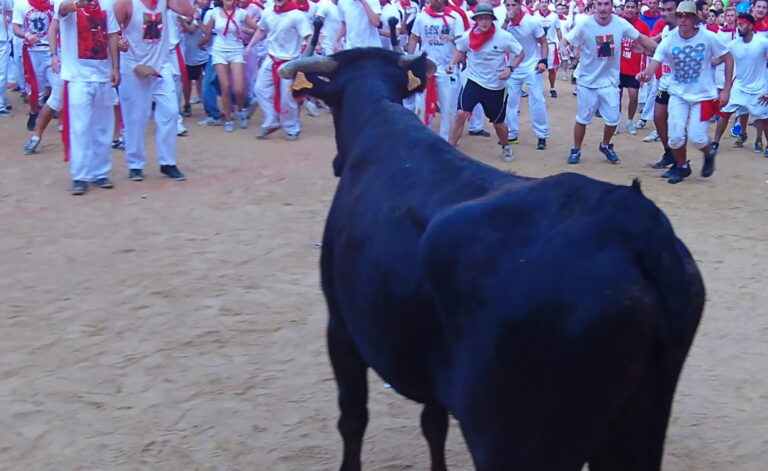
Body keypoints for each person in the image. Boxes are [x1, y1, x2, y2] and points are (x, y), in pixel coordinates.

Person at [637, 0, 733, 183]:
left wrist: (727, 89)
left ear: (694, 18)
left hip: (704, 95)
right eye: (680, 16)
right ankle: (682, 167)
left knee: (697, 137)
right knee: (675, 138)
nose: (683, 20)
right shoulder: (670, 39)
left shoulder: (707, 37)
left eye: (687, 16)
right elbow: (656, 61)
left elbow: (727, 57)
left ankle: (709, 153)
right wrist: (646, 74)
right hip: (678, 94)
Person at [560, 0, 656, 164]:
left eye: (606, 4)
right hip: (587, 82)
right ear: (594, 6)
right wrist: (563, 47)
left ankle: (605, 145)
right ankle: (576, 149)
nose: (603, 8)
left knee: (613, 120)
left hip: (610, 82)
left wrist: (661, 50)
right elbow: (566, 40)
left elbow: (640, 38)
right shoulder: (585, 24)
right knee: (582, 119)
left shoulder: (620, 23)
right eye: (599, 4)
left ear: (612, 6)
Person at [115, 0, 194, 182]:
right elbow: (111, 28)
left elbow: (188, 10)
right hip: (134, 65)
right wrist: (119, 42)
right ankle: (135, 164)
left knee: (171, 112)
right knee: (136, 117)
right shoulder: (126, 3)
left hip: (160, 64)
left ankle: (167, 162)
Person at [54, 0, 120, 195]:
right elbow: (61, 10)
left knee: (103, 126)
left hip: (102, 74)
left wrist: (115, 67)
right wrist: (77, 4)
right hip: (78, 77)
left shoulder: (108, 3)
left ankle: (100, 172)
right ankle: (80, 176)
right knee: (80, 127)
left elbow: (112, 35)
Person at [447, 2, 524, 161]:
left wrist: (510, 68)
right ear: (476, 20)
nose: (483, 22)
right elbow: (460, 49)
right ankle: (450, 148)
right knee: (461, 113)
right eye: (480, 19)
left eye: (487, 19)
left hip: (495, 85)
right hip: (474, 80)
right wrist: (452, 63)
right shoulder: (469, 35)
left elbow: (520, 53)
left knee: (498, 123)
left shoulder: (503, 37)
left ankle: (506, 146)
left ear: (492, 20)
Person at [244, 0, 312, 140]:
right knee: (260, 89)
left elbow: (309, 37)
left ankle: (292, 127)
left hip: (290, 62)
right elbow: (261, 30)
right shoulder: (268, 12)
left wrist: (305, 57)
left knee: (287, 98)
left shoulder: (297, 15)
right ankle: (272, 120)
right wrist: (250, 45)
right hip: (271, 58)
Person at [406, 0, 465, 140]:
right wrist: (410, 61)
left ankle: (445, 141)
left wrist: (453, 61)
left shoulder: (455, 17)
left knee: (448, 109)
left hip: (447, 70)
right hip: (426, 70)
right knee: (422, 107)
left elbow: (461, 44)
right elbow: (414, 38)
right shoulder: (422, 17)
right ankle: (423, 139)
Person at [711, 13, 768, 157]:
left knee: (764, 118)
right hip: (740, 87)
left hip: (759, 88)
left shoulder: (762, 43)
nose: (738, 27)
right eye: (738, 24)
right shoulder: (733, 45)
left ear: (750, 26)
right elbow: (719, 60)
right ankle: (715, 142)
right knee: (725, 112)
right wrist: (704, 64)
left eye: (741, 25)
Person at [199, 0, 257, 131]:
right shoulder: (214, 12)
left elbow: (258, 30)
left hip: (236, 50)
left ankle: (241, 111)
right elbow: (207, 32)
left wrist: (247, 37)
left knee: (239, 89)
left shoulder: (241, 13)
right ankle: (228, 119)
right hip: (219, 51)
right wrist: (198, 19)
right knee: (224, 87)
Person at [503, 0, 549, 149]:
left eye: (513, 5)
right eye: (508, 5)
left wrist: (543, 61)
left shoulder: (531, 21)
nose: (511, 8)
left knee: (537, 100)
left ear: (520, 5)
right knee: (510, 101)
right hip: (513, 66)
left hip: (532, 65)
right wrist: (505, 21)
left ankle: (541, 135)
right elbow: (498, 37)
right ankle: (511, 133)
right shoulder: (505, 23)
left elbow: (543, 41)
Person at [13, 0, 58, 131]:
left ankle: (62, 120)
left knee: (59, 87)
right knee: (33, 91)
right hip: (33, 52)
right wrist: (27, 35)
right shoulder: (21, 4)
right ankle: (34, 112)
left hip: (53, 51)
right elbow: (15, 28)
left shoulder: (55, 2)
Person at [616, 0, 650, 135]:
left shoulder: (643, 26)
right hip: (618, 67)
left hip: (634, 67)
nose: (629, 10)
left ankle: (630, 121)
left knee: (633, 96)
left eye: (632, 7)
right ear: (624, 8)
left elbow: (648, 45)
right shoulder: (618, 23)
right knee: (616, 96)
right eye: (627, 7)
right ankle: (616, 121)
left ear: (637, 9)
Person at [532, 0, 562, 97]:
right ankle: (537, 88)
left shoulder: (554, 16)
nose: (544, 4)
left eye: (546, 2)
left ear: (548, 3)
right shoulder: (534, 15)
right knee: (536, 68)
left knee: (552, 69)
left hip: (550, 44)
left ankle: (552, 88)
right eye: (542, 2)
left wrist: (561, 43)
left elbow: (558, 30)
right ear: (539, 3)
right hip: (538, 45)